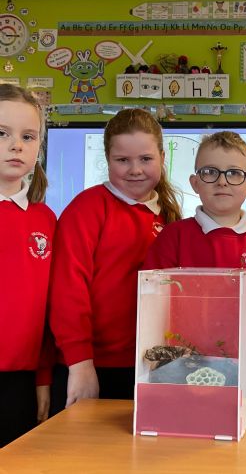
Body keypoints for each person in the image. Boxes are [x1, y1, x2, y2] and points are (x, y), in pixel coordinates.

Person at [48, 108, 181, 413]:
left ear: (162, 157)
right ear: (107, 159)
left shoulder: (169, 216)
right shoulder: (88, 208)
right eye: (123, 160)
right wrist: (81, 363)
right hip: (91, 366)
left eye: (145, 159)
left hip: (149, 365)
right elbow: (68, 289)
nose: (135, 169)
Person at [143, 131, 246, 396]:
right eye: (210, 172)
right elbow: (153, 306)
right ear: (195, 183)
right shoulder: (173, 237)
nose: (222, 181)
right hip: (180, 373)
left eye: (234, 173)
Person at [0, 84, 56, 446]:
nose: (16, 145)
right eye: (2, 133)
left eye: (28, 136)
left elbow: (47, 309)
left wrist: (43, 378)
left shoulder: (46, 220)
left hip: (21, 381)